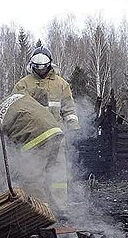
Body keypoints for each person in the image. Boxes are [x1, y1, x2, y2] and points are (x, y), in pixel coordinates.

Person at [13, 43, 80, 208]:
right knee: (34, 173)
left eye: (44, 67)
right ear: (32, 66)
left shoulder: (61, 84)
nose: (41, 71)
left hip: (57, 137)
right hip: (32, 139)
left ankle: (60, 208)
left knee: (57, 175)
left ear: (49, 65)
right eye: (37, 68)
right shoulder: (23, 84)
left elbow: (69, 109)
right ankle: (39, 208)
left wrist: (73, 128)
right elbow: (16, 109)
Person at [0, 89, 67, 212]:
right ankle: (56, 210)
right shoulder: (16, 97)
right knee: (48, 174)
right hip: (55, 131)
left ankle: (41, 216)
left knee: (32, 180)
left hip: (36, 137)